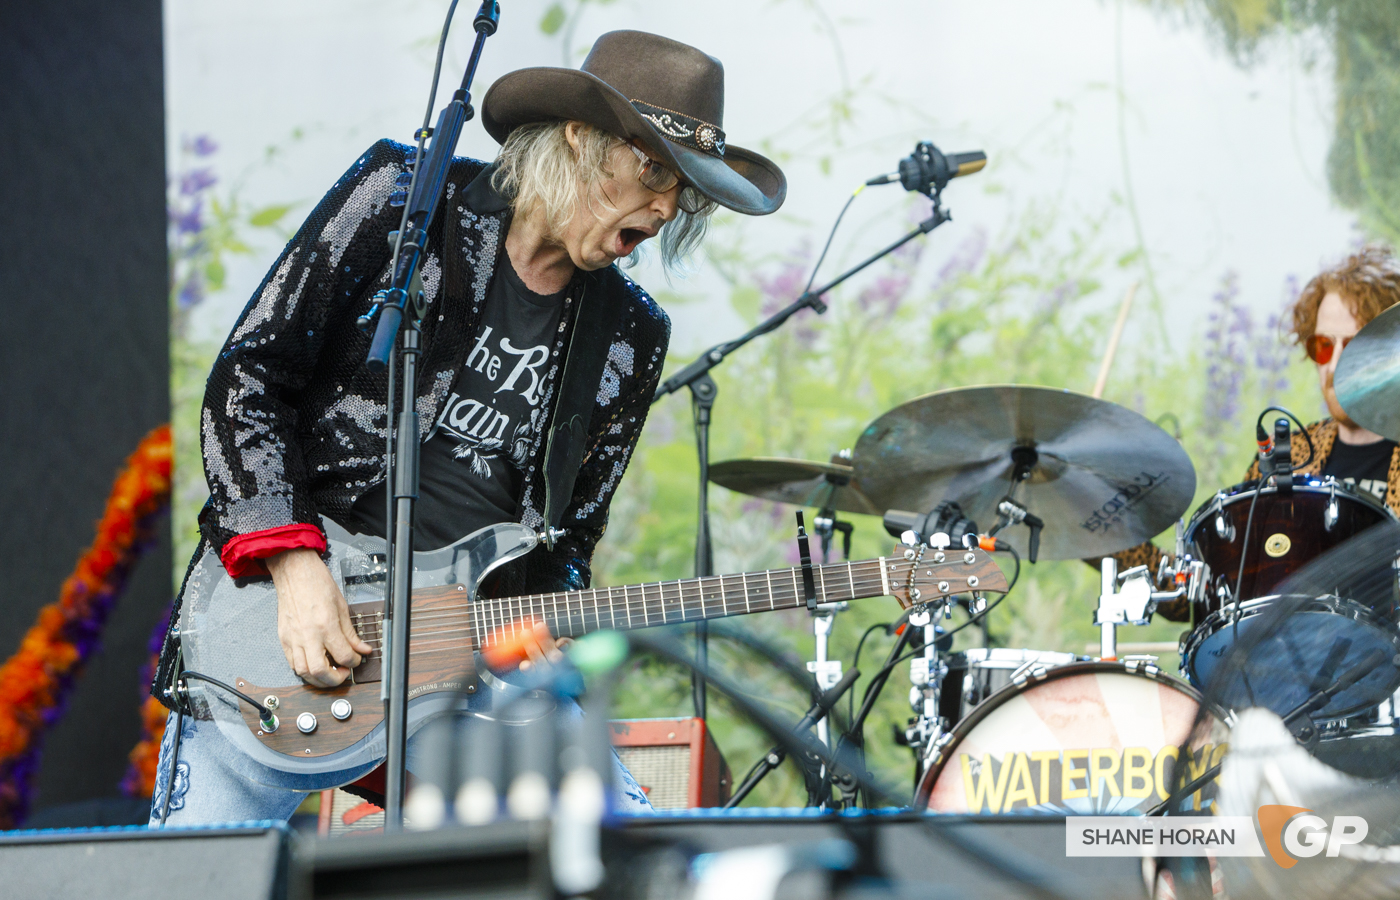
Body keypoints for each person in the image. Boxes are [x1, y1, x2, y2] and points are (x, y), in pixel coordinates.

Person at [147, 30, 785, 825]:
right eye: (654, 169)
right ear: (579, 141)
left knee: (624, 840)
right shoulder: (402, 202)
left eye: (683, 190)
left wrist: (551, 623)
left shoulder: (629, 333)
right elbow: (249, 377)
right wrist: (294, 565)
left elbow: (571, 535)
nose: (664, 208)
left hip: (468, 667)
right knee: (197, 873)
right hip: (279, 625)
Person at [1094, 245, 1400, 620]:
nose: (1334, 365)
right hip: (1295, 668)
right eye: (1323, 346)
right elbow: (1198, 592)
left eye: (1351, 346)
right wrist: (1092, 521)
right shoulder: (1292, 457)